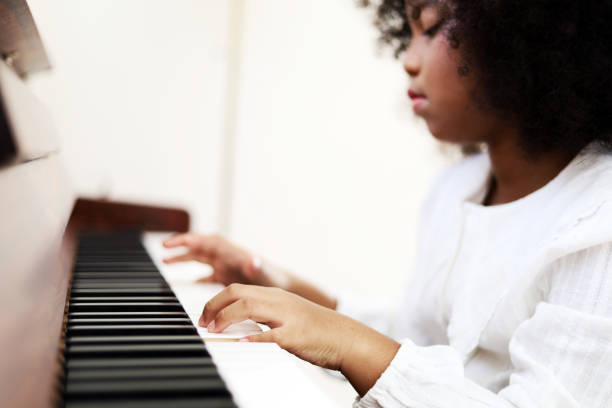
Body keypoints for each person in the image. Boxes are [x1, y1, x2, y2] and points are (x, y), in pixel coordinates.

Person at [163, 0, 612, 406]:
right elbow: (423, 339)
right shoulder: (458, 186)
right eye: (409, 30)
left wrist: (346, 342)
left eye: (433, 28)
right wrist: (277, 283)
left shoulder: (599, 214)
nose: (408, 61)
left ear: (524, 41)